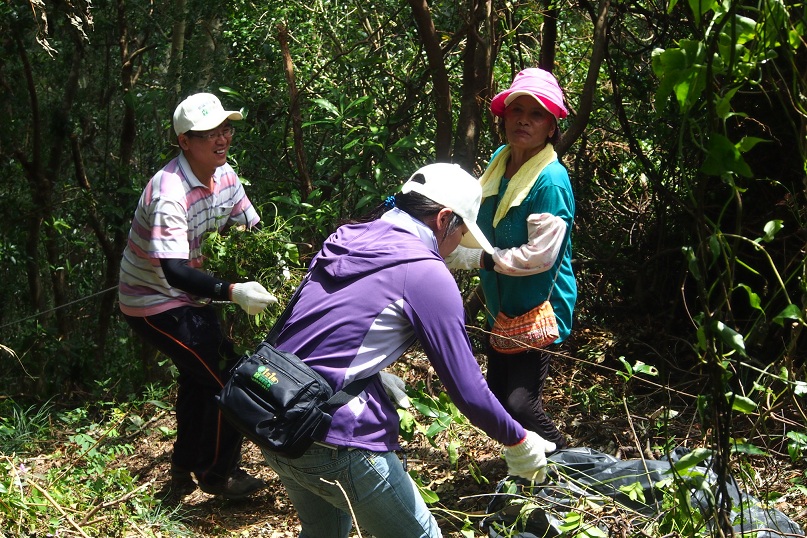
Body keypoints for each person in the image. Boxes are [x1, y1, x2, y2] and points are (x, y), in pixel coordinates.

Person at [262, 163, 557, 538]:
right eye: (461, 231)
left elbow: (309, 327)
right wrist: (517, 440)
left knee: (324, 531)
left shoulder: (348, 237)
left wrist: (368, 372)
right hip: (335, 439)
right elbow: (467, 389)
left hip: (274, 419)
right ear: (445, 219)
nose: (456, 244)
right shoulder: (425, 273)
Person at [118, 93, 277, 499]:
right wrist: (232, 290)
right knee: (227, 376)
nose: (221, 139)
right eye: (207, 133)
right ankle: (218, 474)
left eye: (224, 129)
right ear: (185, 142)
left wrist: (282, 266)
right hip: (151, 300)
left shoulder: (226, 177)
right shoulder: (169, 191)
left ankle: (183, 467)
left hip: (194, 296)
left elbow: (254, 230)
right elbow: (173, 270)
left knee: (199, 375)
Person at [447, 68, 576, 450]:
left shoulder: (550, 180)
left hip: (538, 306)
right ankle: (530, 472)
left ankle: (571, 466)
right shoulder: (502, 160)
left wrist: (478, 261)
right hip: (503, 306)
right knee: (502, 398)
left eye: (537, 114)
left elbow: (541, 256)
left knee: (521, 402)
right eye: (517, 110)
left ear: (552, 126)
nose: (523, 119)